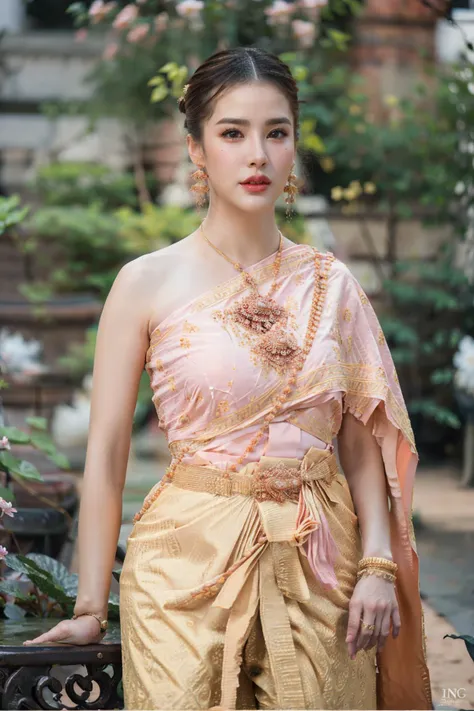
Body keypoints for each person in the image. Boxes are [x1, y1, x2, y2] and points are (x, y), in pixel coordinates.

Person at [23, 47, 432, 711]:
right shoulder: (145, 284)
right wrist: (92, 606)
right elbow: (104, 453)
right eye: (233, 133)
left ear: (295, 146)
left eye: (277, 132)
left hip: (323, 565)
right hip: (184, 567)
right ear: (196, 149)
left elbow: (362, 443)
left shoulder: (331, 284)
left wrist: (378, 566)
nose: (258, 155)